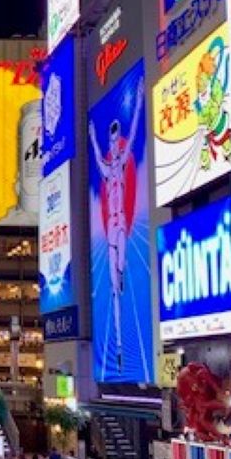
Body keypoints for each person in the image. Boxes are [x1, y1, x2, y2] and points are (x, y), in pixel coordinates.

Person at [89, 78, 145, 372]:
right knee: (112, 284)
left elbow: (135, 133)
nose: (114, 143)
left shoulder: (122, 162)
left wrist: (137, 102)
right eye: (110, 140)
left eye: (115, 138)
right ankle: (120, 349)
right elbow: (97, 154)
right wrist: (91, 137)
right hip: (110, 227)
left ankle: (120, 278)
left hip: (121, 222)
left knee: (120, 266)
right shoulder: (106, 166)